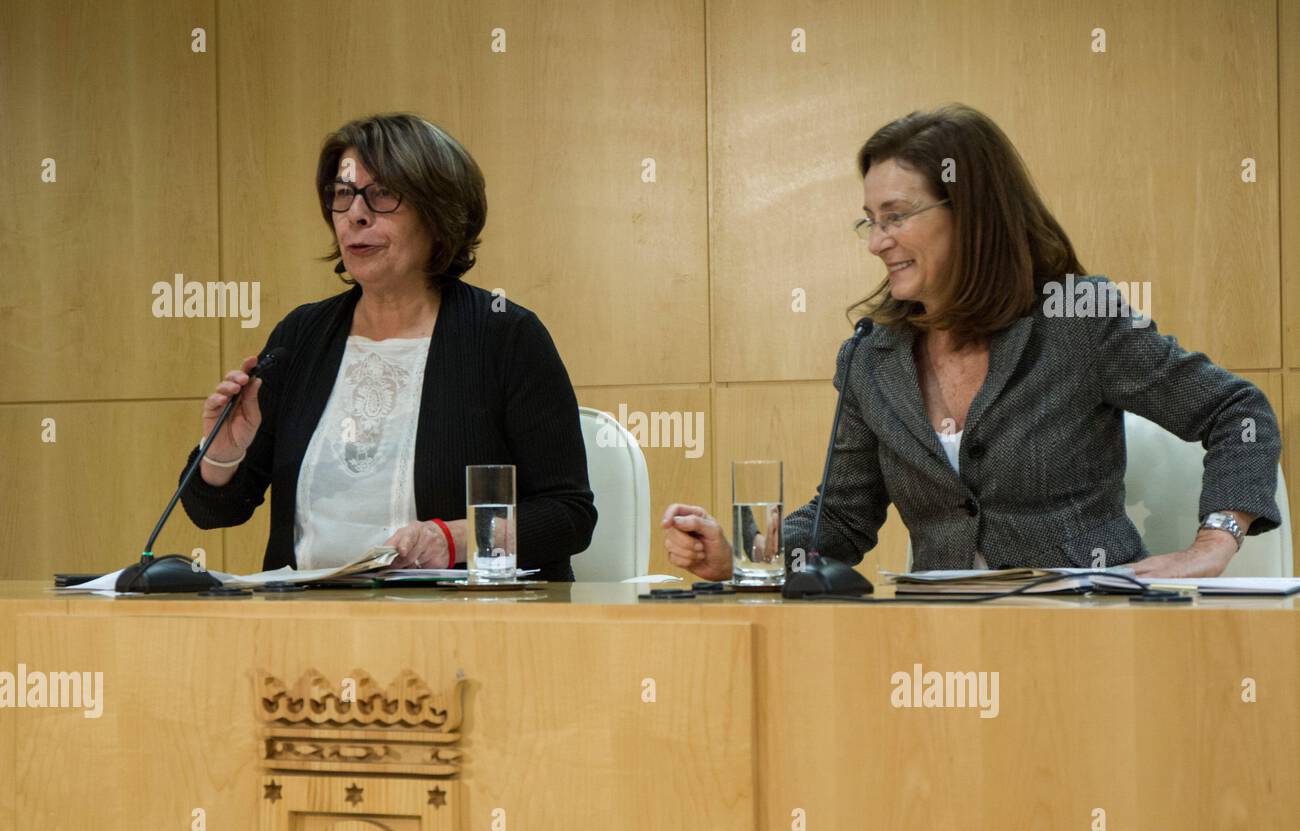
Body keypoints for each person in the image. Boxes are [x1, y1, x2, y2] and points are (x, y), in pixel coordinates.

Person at [664, 104, 1281, 579]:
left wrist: (1213, 542)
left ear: (970, 212)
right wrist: (750, 555)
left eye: (896, 216)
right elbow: (845, 518)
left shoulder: (1077, 319)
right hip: (939, 643)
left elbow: (1238, 412)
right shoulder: (871, 360)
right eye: (870, 221)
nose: (877, 242)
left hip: (1088, 632)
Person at [180, 113, 596, 580]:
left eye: (381, 194)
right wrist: (223, 453)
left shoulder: (504, 336)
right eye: (343, 194)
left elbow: (569, 516)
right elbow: (213, 513)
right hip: (307, 625)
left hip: (456, 628)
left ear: (438, 211)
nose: (356, 214)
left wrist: (451, 538)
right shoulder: (301, 336)